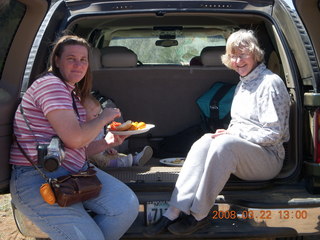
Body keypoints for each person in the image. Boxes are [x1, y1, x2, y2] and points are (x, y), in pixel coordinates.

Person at [144, 29, 290, 236]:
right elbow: (241, 124)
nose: (238, 61)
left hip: (269, 158)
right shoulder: (244, 82)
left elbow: (275, 134)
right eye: (233, 55)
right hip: (246, 153)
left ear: (256, 54)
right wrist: (229, 131)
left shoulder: (270, 83)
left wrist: (234, 136)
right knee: (206, 139)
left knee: (224, 144)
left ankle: (198, 215)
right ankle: (173, 211)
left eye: (243, 54)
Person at [10, 35, 139, 240]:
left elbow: (77, 148)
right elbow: (74, 140)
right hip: (39, 178)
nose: (78, 65)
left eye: (83, 60)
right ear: (57, 61)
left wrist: (107, 142)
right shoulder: (51, 86)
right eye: (71, 58)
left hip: (74, 172)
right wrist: (104, 116)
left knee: (126, 206)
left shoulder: (70, 92)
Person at [84, 94, 153, 168]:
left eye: (99, 115)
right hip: (90, 156)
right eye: (95, 115)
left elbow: (101, 139)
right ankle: (122, 163)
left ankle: (133, 159)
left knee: (116, 155)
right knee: (96, 157)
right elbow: (84, 148)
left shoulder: (99, 126)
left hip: (102, 152)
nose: (98, 118)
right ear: (82, 115)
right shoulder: (83, 129)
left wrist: (108, 148)